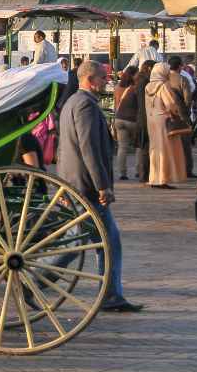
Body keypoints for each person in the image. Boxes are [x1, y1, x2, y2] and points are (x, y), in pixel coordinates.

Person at [57, 59, 143, 313]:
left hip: (74, 183)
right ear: (90, 80)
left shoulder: (73, 102)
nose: (107, 82)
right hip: (85, 186)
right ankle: (109, 295)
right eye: (103, 78)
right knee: (101, 241)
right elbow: (88, 148)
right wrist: (102, 185)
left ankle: (109, 293)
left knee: (83, 240)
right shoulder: (84, 105)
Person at [145, 62, 188, 188]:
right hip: (164, 120)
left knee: (155, 149)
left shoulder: (147, 86)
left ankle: (154, 178)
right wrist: (176, 113)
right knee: (166, 149)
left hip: (151, 120)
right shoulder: (164, 86)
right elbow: (170, 104)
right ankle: (163, 179)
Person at [112, 65, 141, 180]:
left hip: (119, 118)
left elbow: (115, 105)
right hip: (132, 119)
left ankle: (122, 173)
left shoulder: (118, 87)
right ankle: (139, 170)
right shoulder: (135, 88)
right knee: (139, 145)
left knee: (122, 147)